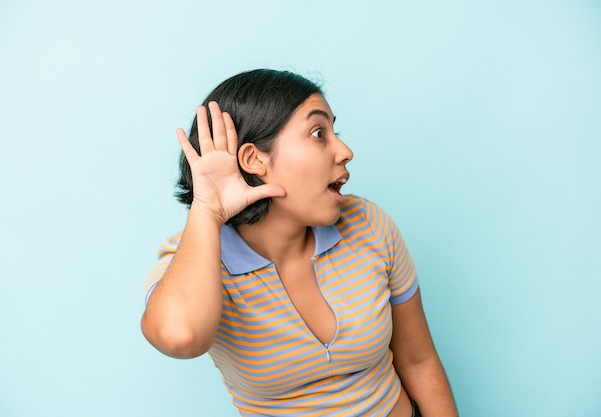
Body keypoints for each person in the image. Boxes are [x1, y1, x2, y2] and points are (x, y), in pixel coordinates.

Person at [141, 69, 458, 417]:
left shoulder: (368, 224)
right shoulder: (193, 261)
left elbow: (419, 361)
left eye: (336, 131)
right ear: (254, 160)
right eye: (319, 133)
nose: (345, 151)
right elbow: (179, 336)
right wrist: (207, 209)